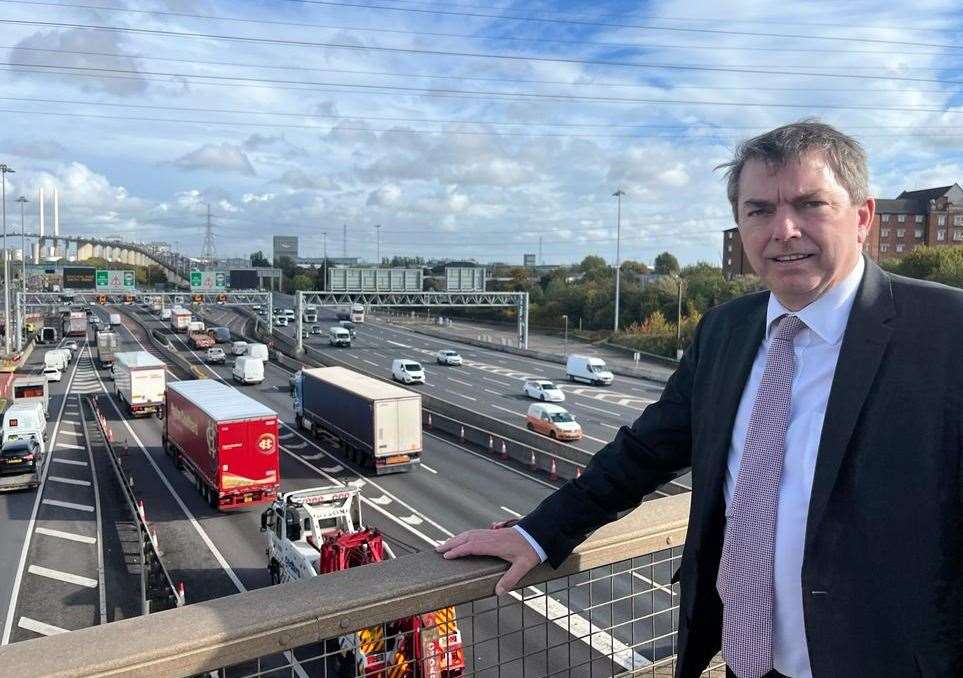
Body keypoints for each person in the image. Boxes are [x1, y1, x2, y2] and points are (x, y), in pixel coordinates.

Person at [437, 120, 963, 678]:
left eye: (810, 204)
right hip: (747, 660)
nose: (784, 230)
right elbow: (644, 453)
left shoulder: (946, 333)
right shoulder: (725, 332)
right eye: (759, 210)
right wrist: (539, 534)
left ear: (862, 217)